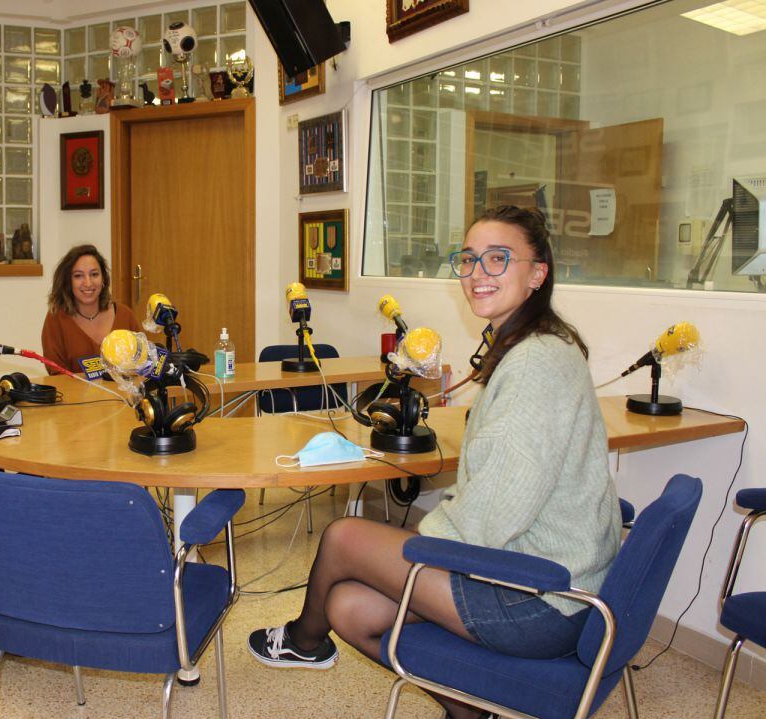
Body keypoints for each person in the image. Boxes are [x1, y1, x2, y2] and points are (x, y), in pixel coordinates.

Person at [248, 206, 622, 719]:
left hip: (542, 600)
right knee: (348, 608)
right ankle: (468, 711)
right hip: (541, 577)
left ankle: (303, 641)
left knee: (345, 537)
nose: (476, 275)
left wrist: (419, 545)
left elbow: (494, 511)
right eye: (468, 260)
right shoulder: (538, 346)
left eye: (497, 259)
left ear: (538, 273)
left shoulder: (536, 363)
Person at [41, 244, 140, 374]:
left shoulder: (125, 316)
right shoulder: (56, 319)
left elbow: (141, 364)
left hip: (123, 394)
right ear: (68, 281)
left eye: (94, 274)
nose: (88, 283)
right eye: (78, 276)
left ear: (103, 278)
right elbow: (56, 372)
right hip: (74, 394)